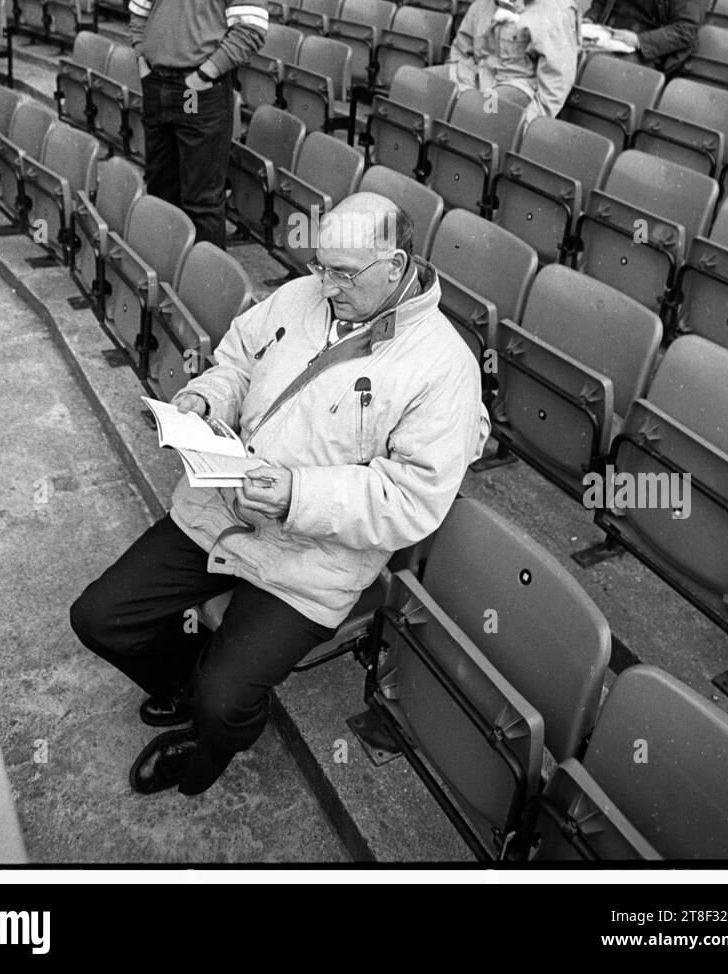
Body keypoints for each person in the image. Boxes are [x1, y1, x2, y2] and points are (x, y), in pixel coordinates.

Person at [70, 192, 487, 798]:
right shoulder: (303, 294)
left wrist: (297, 495)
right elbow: (237, 360)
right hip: (225, 507)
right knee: (99, 618)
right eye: (320, 265)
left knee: (223, 702)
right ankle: (193, 681)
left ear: (395, 266)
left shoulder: (445, 366)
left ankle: (214, 737)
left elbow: (411, 500)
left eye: (343, 273)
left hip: (314, 554)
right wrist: (207, 398)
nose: (326, 284)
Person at [129, 0, 268, 249]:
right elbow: (138, 13)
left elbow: (252, 29)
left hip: (199, 92)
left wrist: (204, 75)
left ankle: (204, 299)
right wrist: (142, 59)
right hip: (157, 85)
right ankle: (162, 270)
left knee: (202, 201)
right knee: (160, 189)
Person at [448, 0, 579, 122]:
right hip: (476, 78)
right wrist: (463, 87)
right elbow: (461, 48)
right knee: (417, 83)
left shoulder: (555, 8)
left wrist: (527, 124)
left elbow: (556, 84)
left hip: (515, 86)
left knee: (482, 113)